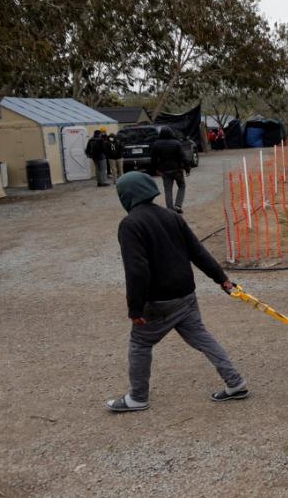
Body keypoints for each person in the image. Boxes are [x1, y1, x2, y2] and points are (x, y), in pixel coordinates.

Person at [105, 171, 247, 412]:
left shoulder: (130, 225)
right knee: (202, 337)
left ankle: (138, 397)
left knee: (140, 343)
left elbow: (137, 270)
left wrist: (135, 308)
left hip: (158, 301)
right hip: (185, 294)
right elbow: (198, 252)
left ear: (126, 197)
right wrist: (221, 279)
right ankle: (235, 382)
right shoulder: (172, 216)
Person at [151, 127, 190, 213]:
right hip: (177, 169)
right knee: (182, 186)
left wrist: (156, 169)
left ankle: (170, 209)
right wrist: (187, 168)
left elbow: (153, 159)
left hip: (164, 170)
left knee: (168, 190)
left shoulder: (156, 144)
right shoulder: (176, 143)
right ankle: (178, 205)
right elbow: (182, 157)